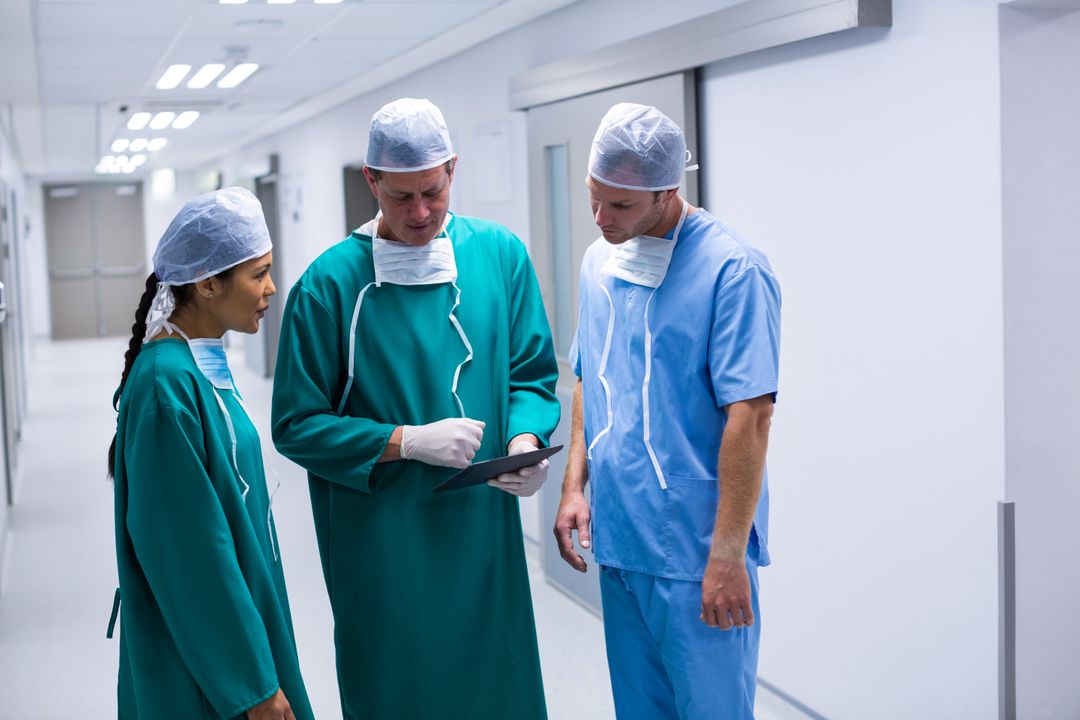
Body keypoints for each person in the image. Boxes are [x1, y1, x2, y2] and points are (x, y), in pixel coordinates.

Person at [271, 98, 560, 719]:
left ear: (452, 169)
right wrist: (402, 441)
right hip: (384, 541)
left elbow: (531, 375)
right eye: (401, 198)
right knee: (398, 685)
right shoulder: (328, 287)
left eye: (432, 191)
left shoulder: (499, 257)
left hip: (482, 535)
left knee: (494, 682)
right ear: (370, 180)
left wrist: (525, 443)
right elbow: (296, 424)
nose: (421, 212)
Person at [553, 103, 781, 720]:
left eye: (621, 206)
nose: (601, 219)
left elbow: (751, 416)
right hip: (621, 537)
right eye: (594, 199)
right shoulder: (598, 264)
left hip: (695, 549)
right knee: (640, 709)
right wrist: (575, 486)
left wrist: (728, 556)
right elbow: (587, 381)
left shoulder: (732, 270)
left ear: (667, 192)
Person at [109, 187, 313, 720]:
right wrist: (252, 688)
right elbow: (188, 554)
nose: (271, 288)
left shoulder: (200, 364)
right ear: (206, 283)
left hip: (238, 620)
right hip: (206, 656)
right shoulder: (165, 386)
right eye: (258, 274)